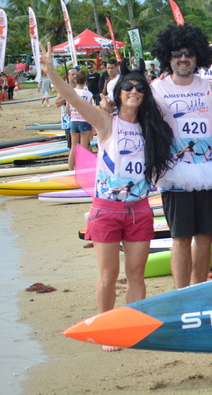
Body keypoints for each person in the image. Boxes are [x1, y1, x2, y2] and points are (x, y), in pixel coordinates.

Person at [41, 45, 172, 352]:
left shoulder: (152, 129)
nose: (134, 91)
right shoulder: (105, 122)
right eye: (128, 86)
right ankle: (107, 328)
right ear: (119, 91)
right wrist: (49, 71)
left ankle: (133, 326)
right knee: (108, 274)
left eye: (141, 87)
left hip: (139, 209)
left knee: (136, 274)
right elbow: (72, 98)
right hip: (106, 210)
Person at [150, 25, 212, 290]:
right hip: (176, 171)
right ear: (167, 57)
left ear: (198, 57)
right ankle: (181, 294)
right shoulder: (157, 88)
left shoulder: (208, 87)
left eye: (189, 53)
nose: (183, 58)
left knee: (206, 236)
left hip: (206, 170)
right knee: (181, 238)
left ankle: (200, 290)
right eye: (177, 53)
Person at [68, 70, 95, 167]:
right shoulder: (88, 94)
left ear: (76, 81)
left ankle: (70, 170)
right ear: (85, 82)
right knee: (83, 148)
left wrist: (74, 114)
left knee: (73, 148)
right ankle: (81, 169)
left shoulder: (71, 93)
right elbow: (91, 111)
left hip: (74, 121)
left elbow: (67, 110)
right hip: (84, 121)